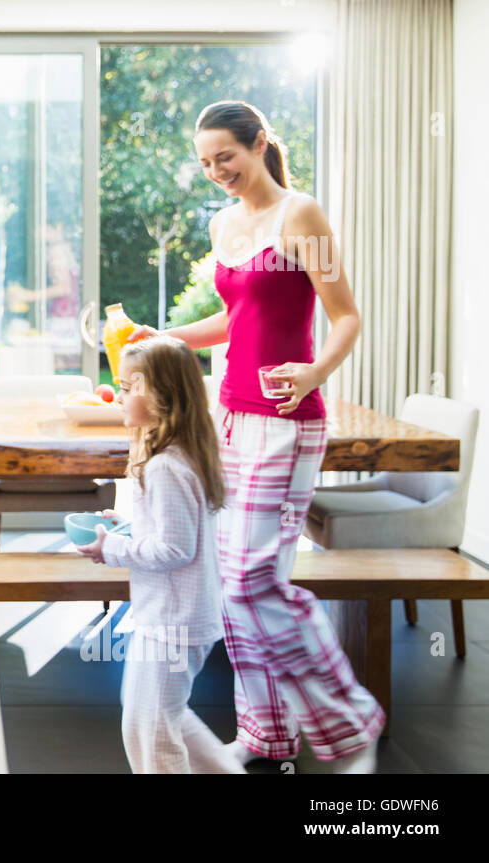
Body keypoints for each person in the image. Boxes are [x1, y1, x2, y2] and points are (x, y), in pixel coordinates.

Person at [129, 100, 382, 772]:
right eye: (206, 162)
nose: (217, 172)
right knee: (228, 580)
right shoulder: (222, 223)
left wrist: (313, 371)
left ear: (260, 144)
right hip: (230, 417)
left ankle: (349, 713)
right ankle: (267, 733)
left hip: (288, 423)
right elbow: (235, 316)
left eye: (227, 158)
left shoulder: (301, 214)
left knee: (252, 583)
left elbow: (348, 316)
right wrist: (163, 335)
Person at [76, 337, 245, 774]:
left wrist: (110, 547)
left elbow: (174, 548)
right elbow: (172, 531)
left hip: (173, 623)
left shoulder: (163, 467)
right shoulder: (180, 455)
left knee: (149, 730)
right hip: (178, 617)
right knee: (164, 717)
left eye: (131, 387)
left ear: (164, 399)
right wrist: (129, 526)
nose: (120, 395)